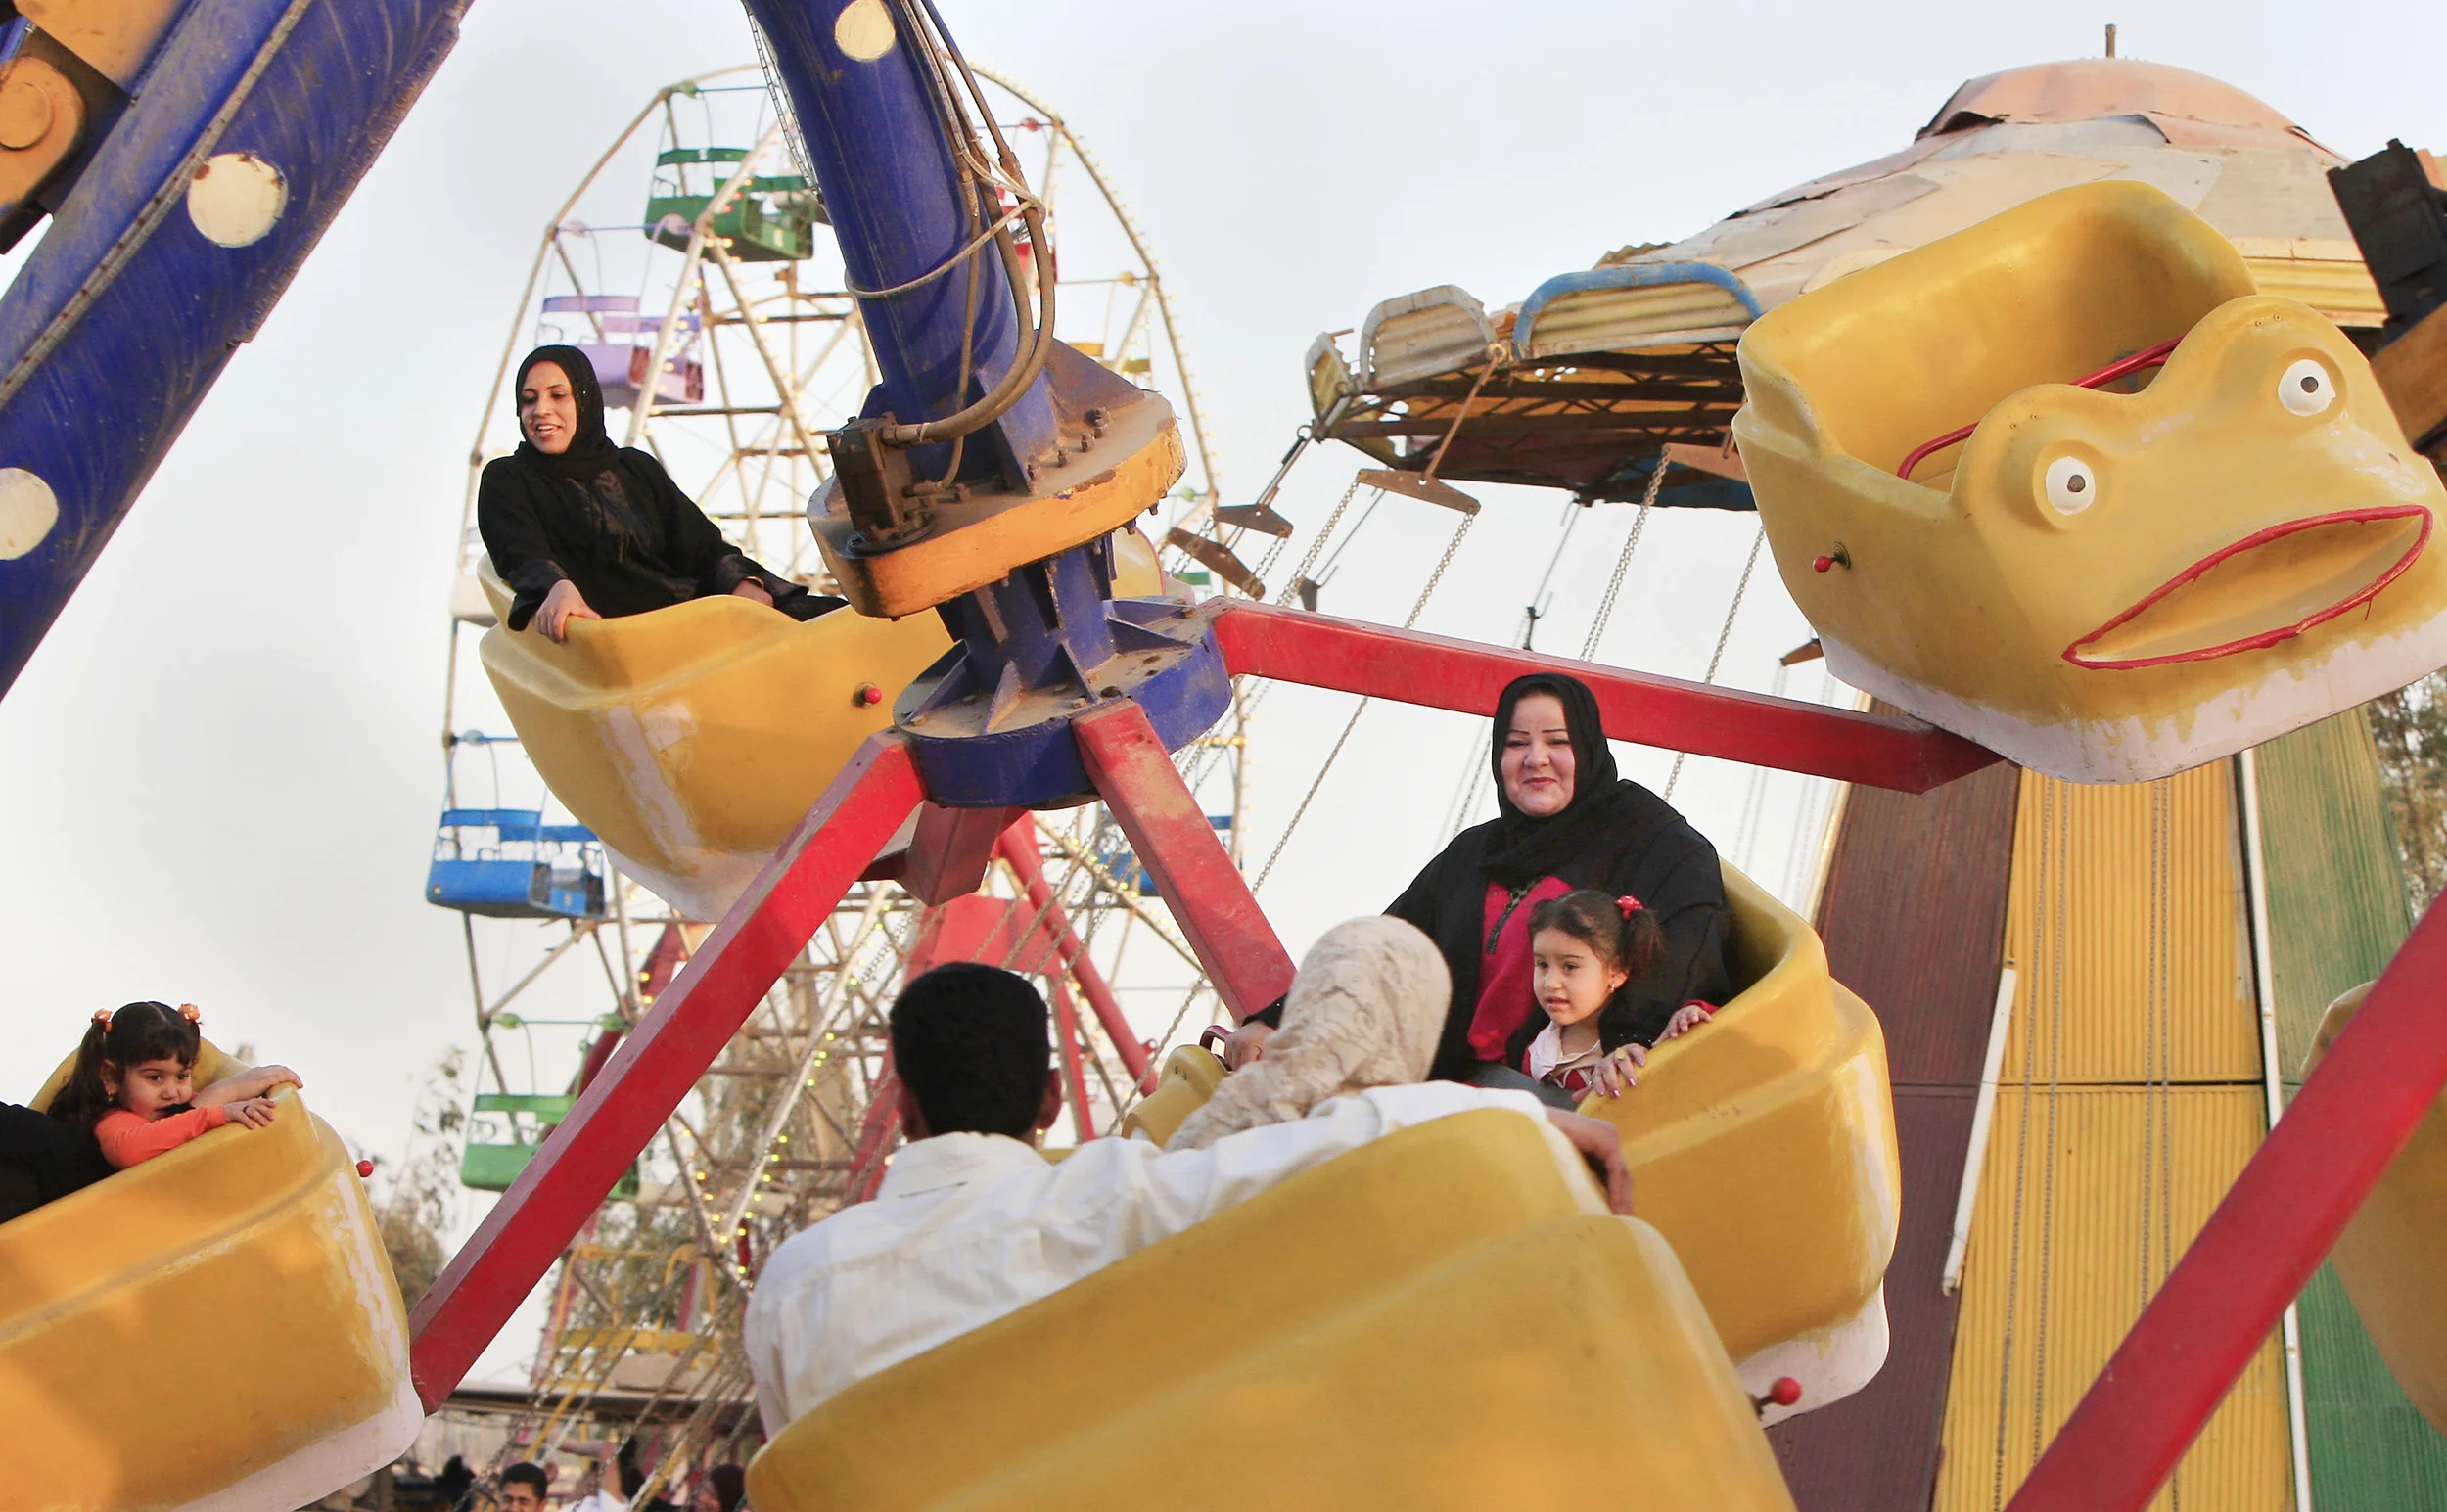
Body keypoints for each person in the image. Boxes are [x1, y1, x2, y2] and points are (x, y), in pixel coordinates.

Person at [744, 931, 1632, 1432]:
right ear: (1053, 1099)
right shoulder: (1116, 1199)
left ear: (901, 1105)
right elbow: (1347, 1131)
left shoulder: (791, 1289)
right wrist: (1530, 1114)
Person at [1222, 671, 1731, 1087]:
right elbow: (1389, 946)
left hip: (1554, 1098)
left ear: (1590, 750)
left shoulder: (1652, 843)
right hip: (1443, 1082)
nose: (1536, 759)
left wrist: (1631, 1044)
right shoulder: (1479, 852)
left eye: (1558, 741)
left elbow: (1685, 951)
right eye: (1516, 744)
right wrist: (1280, 1019)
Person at [478, 345, 844, 643]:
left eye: (558, 396)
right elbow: (521, 552)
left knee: (841, 620)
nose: (541, 411)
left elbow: (701, 547)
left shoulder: (634, 468)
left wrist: (742, 583)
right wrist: (556, 587)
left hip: (698, 618)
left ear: (586, 401)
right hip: (628, 648)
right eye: (528, 400)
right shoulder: (508, 478)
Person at [50, 1002, 300, 1169]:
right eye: (154, 1078)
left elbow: (184, 1116)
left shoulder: (166, 1105)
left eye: (182, 1076)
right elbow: (130, 1149)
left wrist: (240, 1092)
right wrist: (220, 1106)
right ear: (112, 1077)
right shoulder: (110, 1118)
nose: (172, 1092)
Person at [1516, 890, 1712, 1100]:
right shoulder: (1534, 1034)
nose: (1550, 983)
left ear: (1617, 972)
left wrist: (1692, 1016)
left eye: (1570, 966)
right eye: (1542, 964)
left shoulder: (1641, 1046)